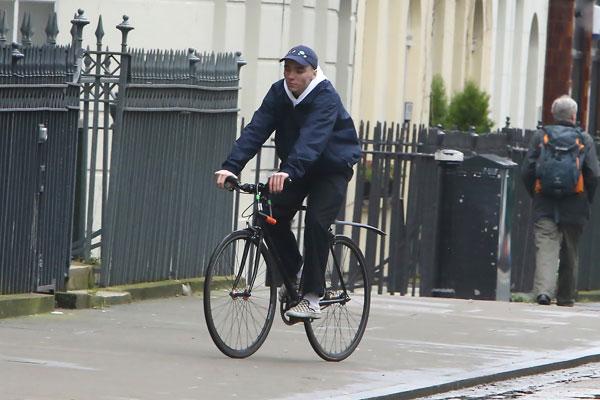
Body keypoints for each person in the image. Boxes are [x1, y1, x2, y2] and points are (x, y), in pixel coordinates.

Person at [214, 45, 361, 319]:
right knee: (269, 212)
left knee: (317, 222)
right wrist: (230, 167)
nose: (291, 75)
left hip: (331, 168)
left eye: (299, 70)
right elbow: (256, 129)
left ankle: (313, 297)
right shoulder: (279, 93)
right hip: (298, 168)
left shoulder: (325, 96)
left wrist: (288, 169)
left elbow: (312, 139)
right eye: (287, 69)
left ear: (313, 72)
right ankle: (293, 273)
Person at [521, 95, 600, 306]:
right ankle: (565, 297)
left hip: (545, 201)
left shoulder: (541, 136)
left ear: (554, 115)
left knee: (545, 246)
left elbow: (527, 170)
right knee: (570, 250)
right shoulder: (584, 140)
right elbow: (593, 174)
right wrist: (586, 199)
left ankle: (544, 292)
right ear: (574, 116)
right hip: (575, 202)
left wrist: (535, 194)